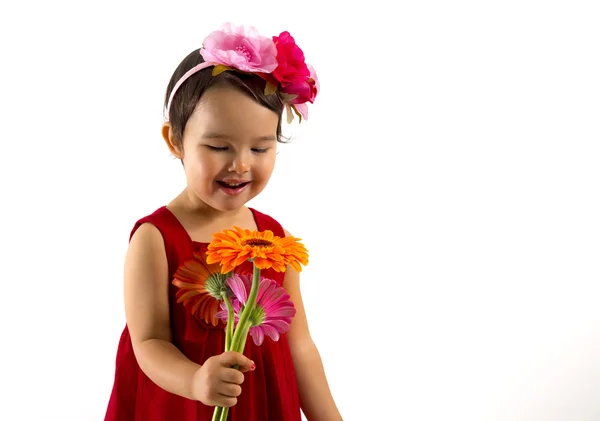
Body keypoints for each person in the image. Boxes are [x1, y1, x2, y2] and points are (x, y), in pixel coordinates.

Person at [104, 23, 343, 421]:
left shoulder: (274, 239)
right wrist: (196, 381)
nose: (241, 164)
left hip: (263, 404)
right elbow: (147, 342)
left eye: (261, 147)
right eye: (218, 146)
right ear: (175, 141)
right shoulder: (155, 238)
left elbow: (299, 346)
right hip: (182, 406)